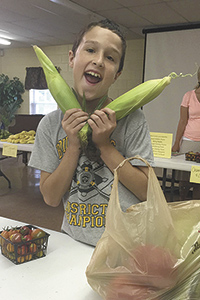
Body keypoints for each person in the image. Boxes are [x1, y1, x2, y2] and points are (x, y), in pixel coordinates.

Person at [28, 19, 154, 246]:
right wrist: (74, 145)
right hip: (73, 242)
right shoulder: (50, 125)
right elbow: (51, 197)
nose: (98, 61)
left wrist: (105, 146)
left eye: (110, 57)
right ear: (71, 58)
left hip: (126, 245)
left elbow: (147, 192)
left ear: (117, 74)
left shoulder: (133, 119)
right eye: (91, 50)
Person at [172, 67, 200, 200]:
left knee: (198, 181)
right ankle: (182, 205)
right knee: (184, 179)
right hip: (188, 141)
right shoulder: (189, 95)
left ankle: (196, 211)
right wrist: (177, 143)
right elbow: (182, 121)